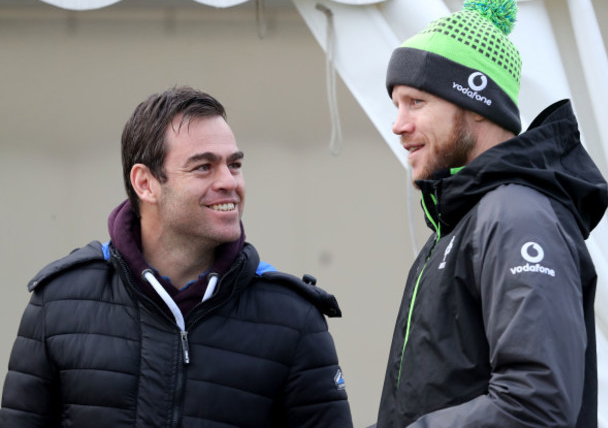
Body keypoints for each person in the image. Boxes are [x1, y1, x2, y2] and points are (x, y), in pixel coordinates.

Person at [0, 86, 353, 427]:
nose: (229, 181)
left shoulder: (295, 318)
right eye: (204, 167)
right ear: (145, 183)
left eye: (234, 164)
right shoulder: (58, 303)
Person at [374, 0, 608, 428]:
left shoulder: (516, 216)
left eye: (417, 102)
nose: (398, 125)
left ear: (477, 104)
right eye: (396, 105)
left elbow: (534, 404)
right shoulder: (463, 222)